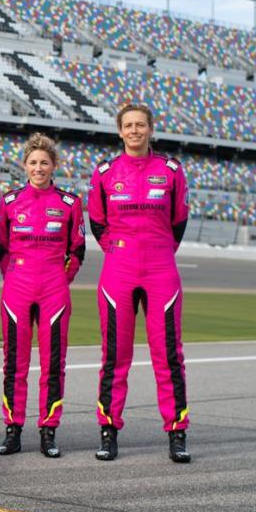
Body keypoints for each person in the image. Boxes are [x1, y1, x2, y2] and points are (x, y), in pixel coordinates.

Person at [88, 103, 191, 463]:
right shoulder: (104, 172)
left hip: (161, 267)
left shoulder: (172, 171)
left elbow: (179, 221)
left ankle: (177, 432)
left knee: (169, 356)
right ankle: (108, 430)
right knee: (115, 355)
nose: (134, 131)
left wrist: (158, 249)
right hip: (119, 268)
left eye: (140, 125)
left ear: (150, 129)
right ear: (120, 132)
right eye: (128, 125)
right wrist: (121, 251)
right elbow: (97, 224)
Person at [0, 133, 85, 458]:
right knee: (14, 363)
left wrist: (61, 278)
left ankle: (49, 430)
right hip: (17, 287)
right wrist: (16, 275)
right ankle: (13, 429)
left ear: (54, 165)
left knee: (53, 364)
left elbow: (77, 250)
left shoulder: (70, 203)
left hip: (54, 288)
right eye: (33, 162)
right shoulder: (9, 201)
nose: (38, 168)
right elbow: (1, 248)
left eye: (44, 162)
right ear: (25, 165)